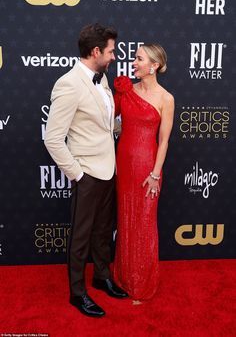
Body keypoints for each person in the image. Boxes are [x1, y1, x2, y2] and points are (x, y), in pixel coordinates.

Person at [44, 23, 128, 318]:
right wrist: (78, 174)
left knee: (104, 230)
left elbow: (104, 124)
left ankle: (101, 276)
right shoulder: (68, 84)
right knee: (81, 236)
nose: (114, 56)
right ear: (96, 52)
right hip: (88, 173)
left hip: (109, 168)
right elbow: (52, 138)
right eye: (111, 51)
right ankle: (78, 293)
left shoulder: (102, 79)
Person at [113, 43, 174, 303]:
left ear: (154, 65)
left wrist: (156, 174)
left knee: (145, 223)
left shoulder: (166, 98)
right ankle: (124, 279)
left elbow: (165, 140)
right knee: (125, 218)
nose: (134, 63)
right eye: (134, 58)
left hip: (149, 167)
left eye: (139, 59)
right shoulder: (126, 91)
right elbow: (109, 120)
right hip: (124, 164)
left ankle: (141, 284)